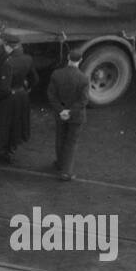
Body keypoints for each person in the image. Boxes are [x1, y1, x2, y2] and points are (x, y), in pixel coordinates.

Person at [0, 32, 38, 166]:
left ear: (9, 46)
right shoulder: (28, 59)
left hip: (7, 99)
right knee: (15, 126)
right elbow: (34, 79)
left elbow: (3, 88)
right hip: (21, 97)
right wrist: (25, 88)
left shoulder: (7, 63)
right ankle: (9, 152)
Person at [47, 48, 91, 181]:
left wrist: (61, 110)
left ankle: (60, 163)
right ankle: (66, 171)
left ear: (68, 58)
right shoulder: (83, 78)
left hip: (60, 114)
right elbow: (83, 100)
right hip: (76, 116)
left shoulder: (57, 74)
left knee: (60, 138)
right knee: (71, 142)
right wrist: (70, 111)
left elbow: (51, 95)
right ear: (81, 60)